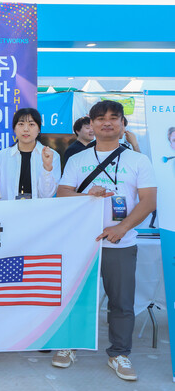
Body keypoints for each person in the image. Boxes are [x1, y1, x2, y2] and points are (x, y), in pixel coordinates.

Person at [55, 100, 156, 381]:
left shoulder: (139, 160)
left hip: (121, 243)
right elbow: (62, 194)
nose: (107, 122)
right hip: (82, 242)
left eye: (114, 117)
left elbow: (148, 201)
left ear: (123, 124)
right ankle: (69, 345)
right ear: (91, 124)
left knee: (121, 302)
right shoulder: (77, 159)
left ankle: (119, 354)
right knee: (76, 298)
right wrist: (86, 195)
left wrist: (122, 228)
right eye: (100, 118)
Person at [0, 108, 60, 200]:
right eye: (21, 124)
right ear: (14, 129)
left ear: (39, 129)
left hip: (39, 208)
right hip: (9, 208)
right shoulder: (1, 156)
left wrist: (47, 167)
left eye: (31, 124)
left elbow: (47, 195)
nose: (26, 129)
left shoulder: (52, 156)